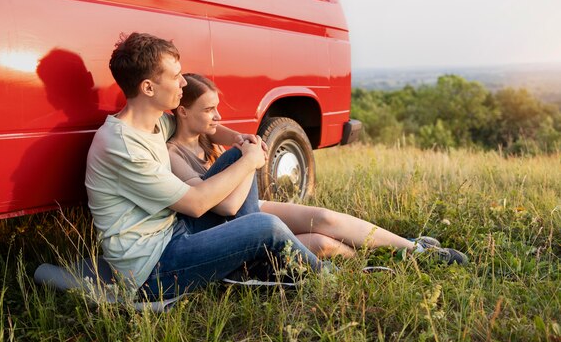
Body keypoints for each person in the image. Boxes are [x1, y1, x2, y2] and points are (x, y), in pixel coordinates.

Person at [85, 33, 333, 301]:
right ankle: (330, 279)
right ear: (148, 88)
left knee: (235, 158)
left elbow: (204, 127)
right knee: (266, 226)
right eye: (175, 76)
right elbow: (195, 204)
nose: (183, 83)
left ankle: (248, 266)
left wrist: (241, 141)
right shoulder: (122, 145)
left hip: (174, 232)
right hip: (151, 270)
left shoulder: (155, 122)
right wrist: (251, 160)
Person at [167, 73, 469, 263]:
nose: (217, 116)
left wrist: (241, 139)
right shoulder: (173, 153)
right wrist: (250, 161)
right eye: (209, 110)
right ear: (182, 112)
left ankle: (415, 251)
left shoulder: (207, 135)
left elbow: (222, 132)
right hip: (225, 227)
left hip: (253, 206)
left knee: (323, 217)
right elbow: (224, 207)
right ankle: (386, 261)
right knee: (321, 244)